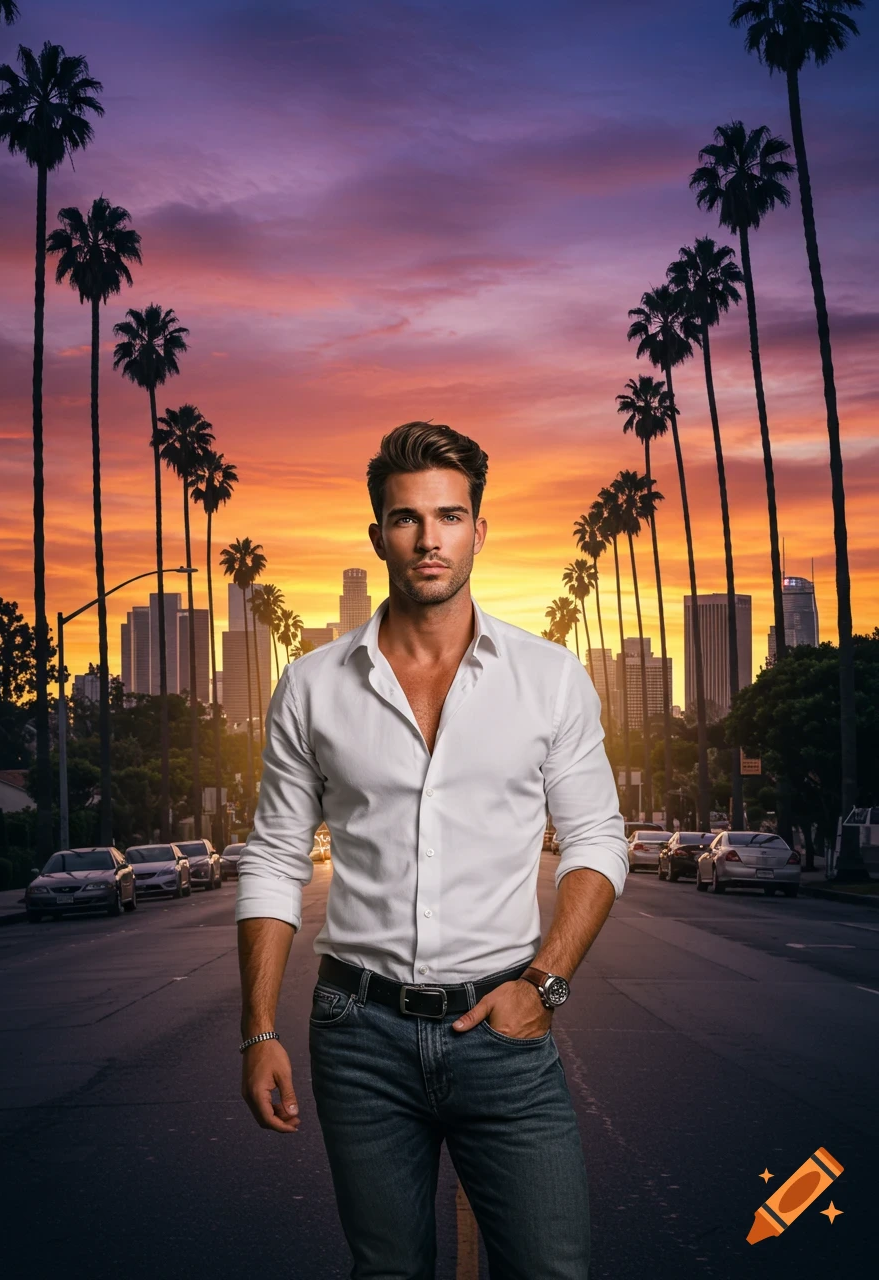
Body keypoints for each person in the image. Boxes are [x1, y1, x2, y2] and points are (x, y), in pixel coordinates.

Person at [236, 421, 628, 1279]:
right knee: (387, 1273)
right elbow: (273, 858)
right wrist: (257, 1029)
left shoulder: (548, 678)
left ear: (478, 530)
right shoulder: (311, 686)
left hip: (504, 1031)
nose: (428, 538)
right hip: (358, 1036)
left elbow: (598, 837)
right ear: (378, 534)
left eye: (449, 516)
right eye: (406, 518)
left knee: (551, 1268)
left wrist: (545, 984)